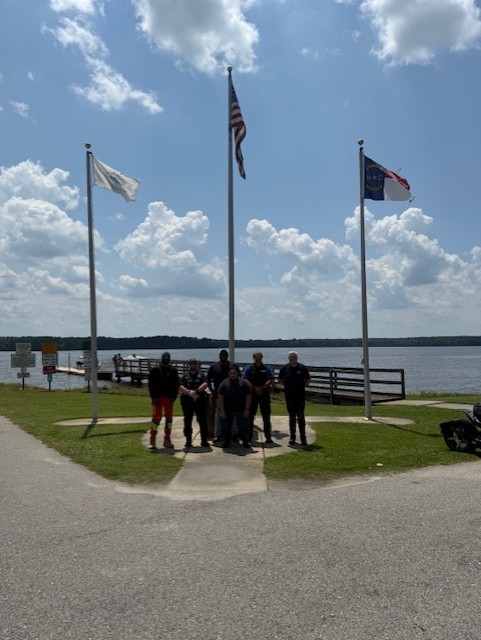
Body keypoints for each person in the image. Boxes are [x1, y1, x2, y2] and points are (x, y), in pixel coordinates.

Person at [147, 351, 180, 449]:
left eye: (167, 357)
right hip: (158, 399)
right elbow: (151, 385)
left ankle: (167, 439)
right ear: (161, 358)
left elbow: (176, 385)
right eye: (164, 357)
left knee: (169, 420)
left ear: (170, 359)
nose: (166, 359)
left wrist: (173, 398)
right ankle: (152, 438)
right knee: (156, 418)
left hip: (169, 399)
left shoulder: (173, 371)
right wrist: (153, 398)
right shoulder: (154, 370)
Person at [278, 351, 311, 446]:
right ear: (288, 358)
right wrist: (288, 386)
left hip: (300, 397)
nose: (292, 358)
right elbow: (280, 380)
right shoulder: (284, 368)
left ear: (297, 357)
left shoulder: (302, 367)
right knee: (292, 417)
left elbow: (308, 380)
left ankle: (303, 438)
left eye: (294, 356)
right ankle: (292, 437)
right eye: (291, 357)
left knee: (301, 417)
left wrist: (301, 386)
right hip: (289, 396)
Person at [217, 364, 251, 449]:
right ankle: (227, 442)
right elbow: (220, 397)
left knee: (243, 427)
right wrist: (221, 410)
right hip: (228, 410)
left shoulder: (243, 382)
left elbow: (248, 396)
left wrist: (247, 409)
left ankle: (245, 441)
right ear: (229, 374)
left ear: (237, 373)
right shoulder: (224, 383)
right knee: (226, 428)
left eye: (234, 373)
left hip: (241, 410)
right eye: (231, 373)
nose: (233, 375)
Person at [207, 349, 237, 443]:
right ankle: (218, 435)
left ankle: (233, 434)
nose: (223, 356)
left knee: (233, 415)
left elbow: (239, 379)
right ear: (219, 355)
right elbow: (208, 380)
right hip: (218, 395)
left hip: (232, 395)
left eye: (225, 354)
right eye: (222, 354)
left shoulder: (233, 366)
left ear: (228, 355)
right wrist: (212, 391)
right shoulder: (213, 366)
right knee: (218, 414)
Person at [179, 358, 210, 450]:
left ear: (197, 365)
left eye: (194, 364)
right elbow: (180, 386)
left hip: (199, 401)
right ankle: (188, 441)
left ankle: (204, 440)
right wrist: (189, 393)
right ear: (188, 365)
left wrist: (196, 391)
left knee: (202, 421)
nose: (192, 365)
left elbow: (206, 383)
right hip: (187, 402)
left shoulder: (201, 375)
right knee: (187, 421)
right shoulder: (184, 376)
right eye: (191, 364)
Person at [243, 351, 273, 444]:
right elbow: (245, 379)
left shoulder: (267, 368)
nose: (258, 358)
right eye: (256, 357)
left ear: (262, 357)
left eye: (259, 356)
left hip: (264, 394)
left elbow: (270, 379)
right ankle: (249, 437)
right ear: (253, 358)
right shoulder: (249, 368)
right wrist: (254, 388)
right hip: (253, 394)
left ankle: (268, 437)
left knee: (266, 417)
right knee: (250, 416)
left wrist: (262, 388)